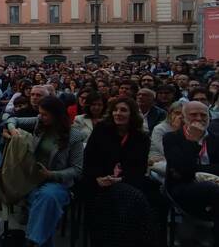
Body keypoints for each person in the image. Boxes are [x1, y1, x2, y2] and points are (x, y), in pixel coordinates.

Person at [3, 96, 83, 247]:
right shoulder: (39, 122)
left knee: (45, 199)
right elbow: (11, 119)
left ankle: (32, 241)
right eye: (40, 113)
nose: (41, 116)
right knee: (45, 209)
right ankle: (36, 242)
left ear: (57, 115)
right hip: (33, 180)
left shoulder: (75, 137)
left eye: (45, 114)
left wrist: (51, 174)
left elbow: (77, 169)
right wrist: (13, 130)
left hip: (58, 183)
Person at [82, 97, 161, 247]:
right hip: (98, 182)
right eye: (115, 110)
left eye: (123, 110)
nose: (118, 113)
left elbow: (139, 168)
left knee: (141, 196)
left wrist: (121, 179)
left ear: (132, 114)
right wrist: (97, 178)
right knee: (127, 200)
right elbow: (89, 160)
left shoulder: (141, 137)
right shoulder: (101, 130)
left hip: (127, 181)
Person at [163, 101, 219, 246]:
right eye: (194, 115)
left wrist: (199, 170)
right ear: (184, 117)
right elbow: (183, 171)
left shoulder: (215, 139)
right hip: (182, 187)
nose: (199, 119)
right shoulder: (172, 138)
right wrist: (192, 141)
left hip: (214, 185)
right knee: (212, 189)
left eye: (203, 115)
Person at [149, 101, 183, 178]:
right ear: (170, 114)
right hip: (159, 163)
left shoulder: (188, 128)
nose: (180, 116)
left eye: (183, 114)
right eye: (177, 113)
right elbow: (168, 152)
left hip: (177, 162)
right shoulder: (160, 129)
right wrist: (176, 130)